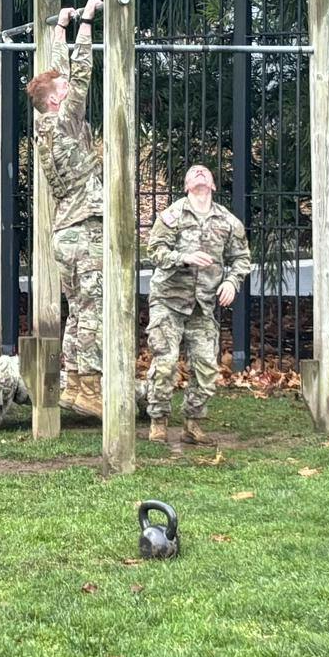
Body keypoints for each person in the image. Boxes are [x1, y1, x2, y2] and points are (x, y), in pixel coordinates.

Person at [25, 0, 105, 419]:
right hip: (85, 225)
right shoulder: (67, 120)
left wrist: (60, 28)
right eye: (63, 92)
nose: (68, 89)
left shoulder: (43, 126)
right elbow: (81, 76)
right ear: (57, 101)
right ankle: (90, 385)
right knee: (95, 308)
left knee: (78, 309)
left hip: (63, 230)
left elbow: (59, 75)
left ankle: (75, 382)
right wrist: (87, 23)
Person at [143, 164, 252, 447]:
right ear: (186, 185)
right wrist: (184, 257)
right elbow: (154, 251)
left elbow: (241, 258)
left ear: (214, 185)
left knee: (206, 368)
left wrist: (231, 283)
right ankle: (158, 421)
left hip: (203, 305)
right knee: (165, 364)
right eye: (194, 172)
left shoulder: (228, 221)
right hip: (169, 301)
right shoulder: (172, 216)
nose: (200, 173)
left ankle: (192, 424)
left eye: (205, 172)